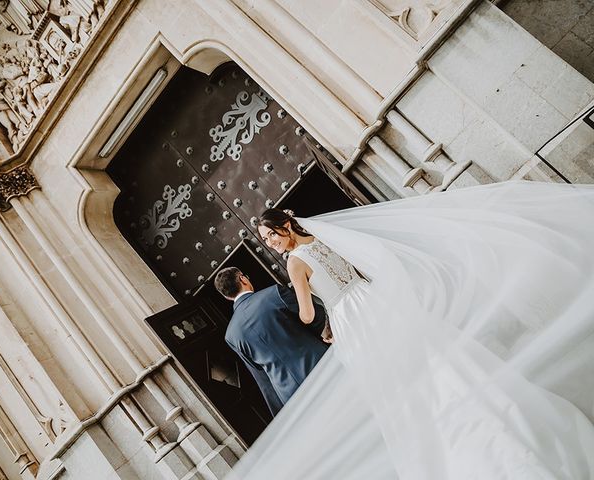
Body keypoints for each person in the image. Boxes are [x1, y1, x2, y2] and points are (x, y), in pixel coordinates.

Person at [226, 180, 594, 480]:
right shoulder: (325, 238)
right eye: (266, 240)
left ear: (285, 226)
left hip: (353, 321)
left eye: (271, 235)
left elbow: (306, 314)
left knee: (397, 386)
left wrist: (322, 325)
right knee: (430, 360)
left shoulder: (294, 263)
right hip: (375, 304)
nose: (271, 243)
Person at [214, 267, 329, 416]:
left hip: (290, 394)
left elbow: (259, 373)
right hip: (320, 365)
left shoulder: (231, 335)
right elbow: (313, 317)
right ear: (242, 279)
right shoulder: (274, 293)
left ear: (227, 297)